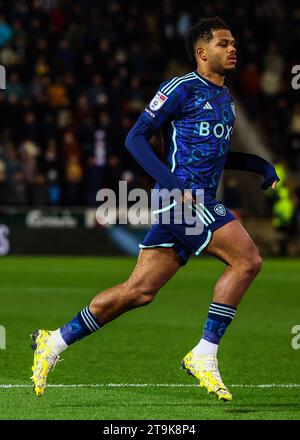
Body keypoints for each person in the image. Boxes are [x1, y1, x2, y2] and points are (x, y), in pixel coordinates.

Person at [31, 17, 279, 401]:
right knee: (247, 260)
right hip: (184, 201)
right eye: (223, 43)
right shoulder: (180, 88)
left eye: (234, 43)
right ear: (201, 52)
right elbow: (135, 139)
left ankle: (55, 341)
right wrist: (174, 184)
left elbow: (213, 153)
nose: (233, 49)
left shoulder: (225, 97)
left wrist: (258, 166)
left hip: (191, 202)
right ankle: (205, 354)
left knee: (139, 291)